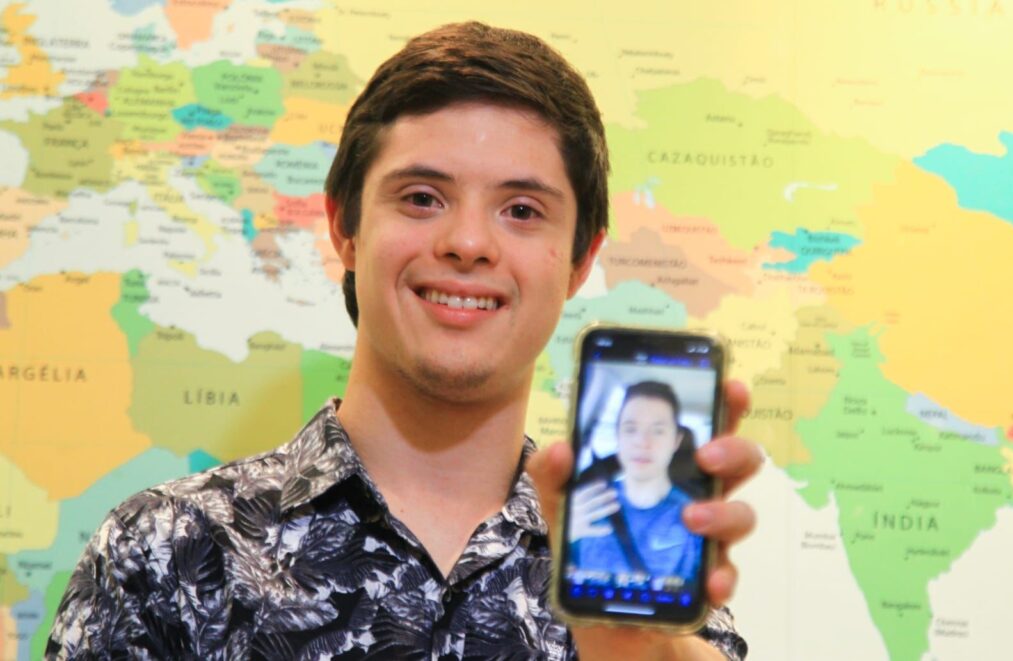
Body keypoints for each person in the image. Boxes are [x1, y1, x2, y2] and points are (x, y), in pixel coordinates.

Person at [46, 21, 761, 660]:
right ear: (345, 227)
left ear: (580, 260)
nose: (468, 242)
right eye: (422, 197)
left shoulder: (647, 601)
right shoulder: (167, 552)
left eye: (521, 210)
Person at [571, 381, 703, 585]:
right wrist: (563, 538)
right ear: (618, 436)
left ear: (676, 440)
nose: (642, 442)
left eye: (658, 431)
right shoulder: (585, 506)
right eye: (630, 429)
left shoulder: (694, 519)